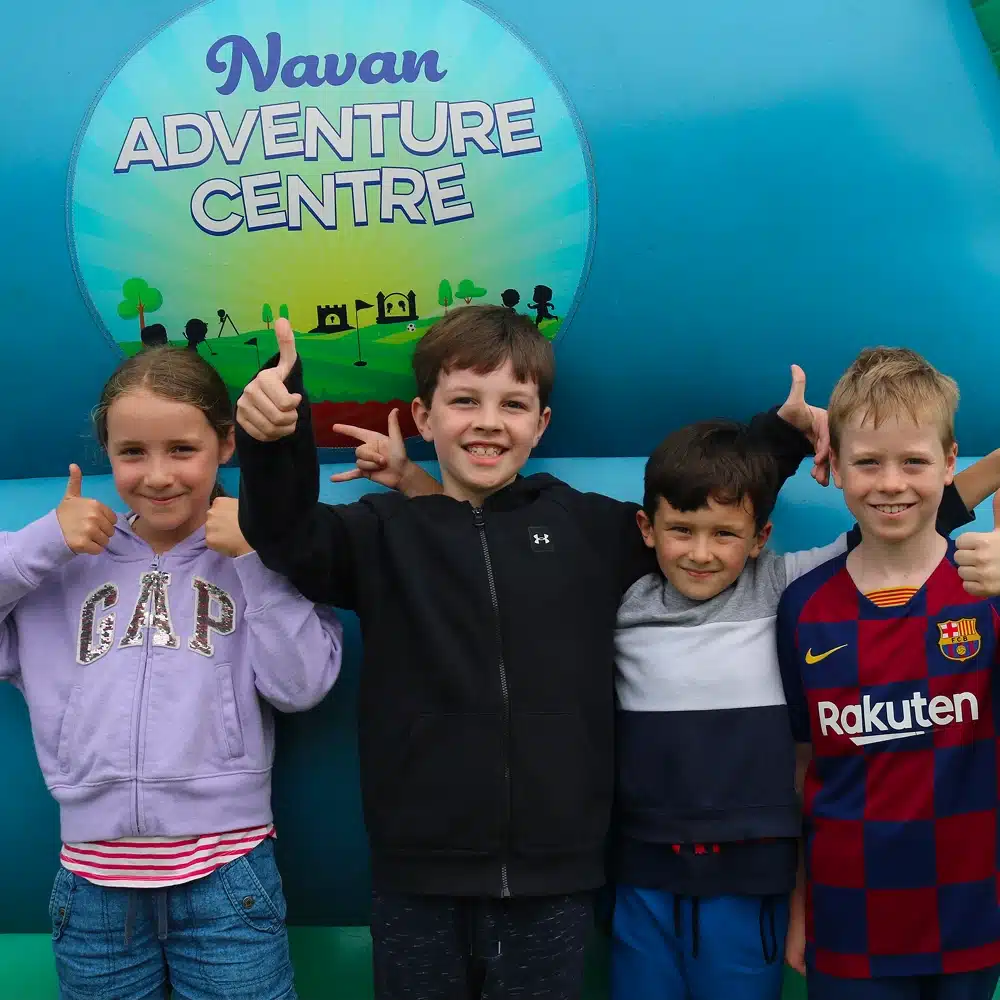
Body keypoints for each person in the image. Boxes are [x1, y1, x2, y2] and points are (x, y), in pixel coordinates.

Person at [234, 306, 829, 999]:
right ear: (424, 418)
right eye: (465, 401)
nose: (489, 422)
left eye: (513, 404)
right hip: (417, 877)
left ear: (540, 423)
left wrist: (781, 437)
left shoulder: (588, 527)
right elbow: (284, 537)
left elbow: (697, 512)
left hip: (558, 878)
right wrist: (272, 441)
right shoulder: (381, 533)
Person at [609, 414, 999, 1000]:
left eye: (724, 534)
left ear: (760, 538)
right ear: (648, 528)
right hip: (642, 874)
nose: (701, 552)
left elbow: (905, 522)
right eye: (682, 530)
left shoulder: (781, 586)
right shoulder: (624, 604)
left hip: (751, 880)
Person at [0, 346, 343, 1000]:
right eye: (132, 452)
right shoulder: (61, 564)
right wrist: (46, 541)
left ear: (225, 444)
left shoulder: (265, 553)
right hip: (93, 891)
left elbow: (303, 687)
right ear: (106, 452)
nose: (158, 476)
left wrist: (253, 559)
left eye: (182, 450)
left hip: (228, 879)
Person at [777, 347, 1000, 1000]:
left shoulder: (984, 590)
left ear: (950, 461)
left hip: (971, 918)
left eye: (914, 462)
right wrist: (800, 901)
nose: (891, 483)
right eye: (868, 463)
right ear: (836, 469)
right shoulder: (804, 605)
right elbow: (800, 770)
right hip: (849, 921)